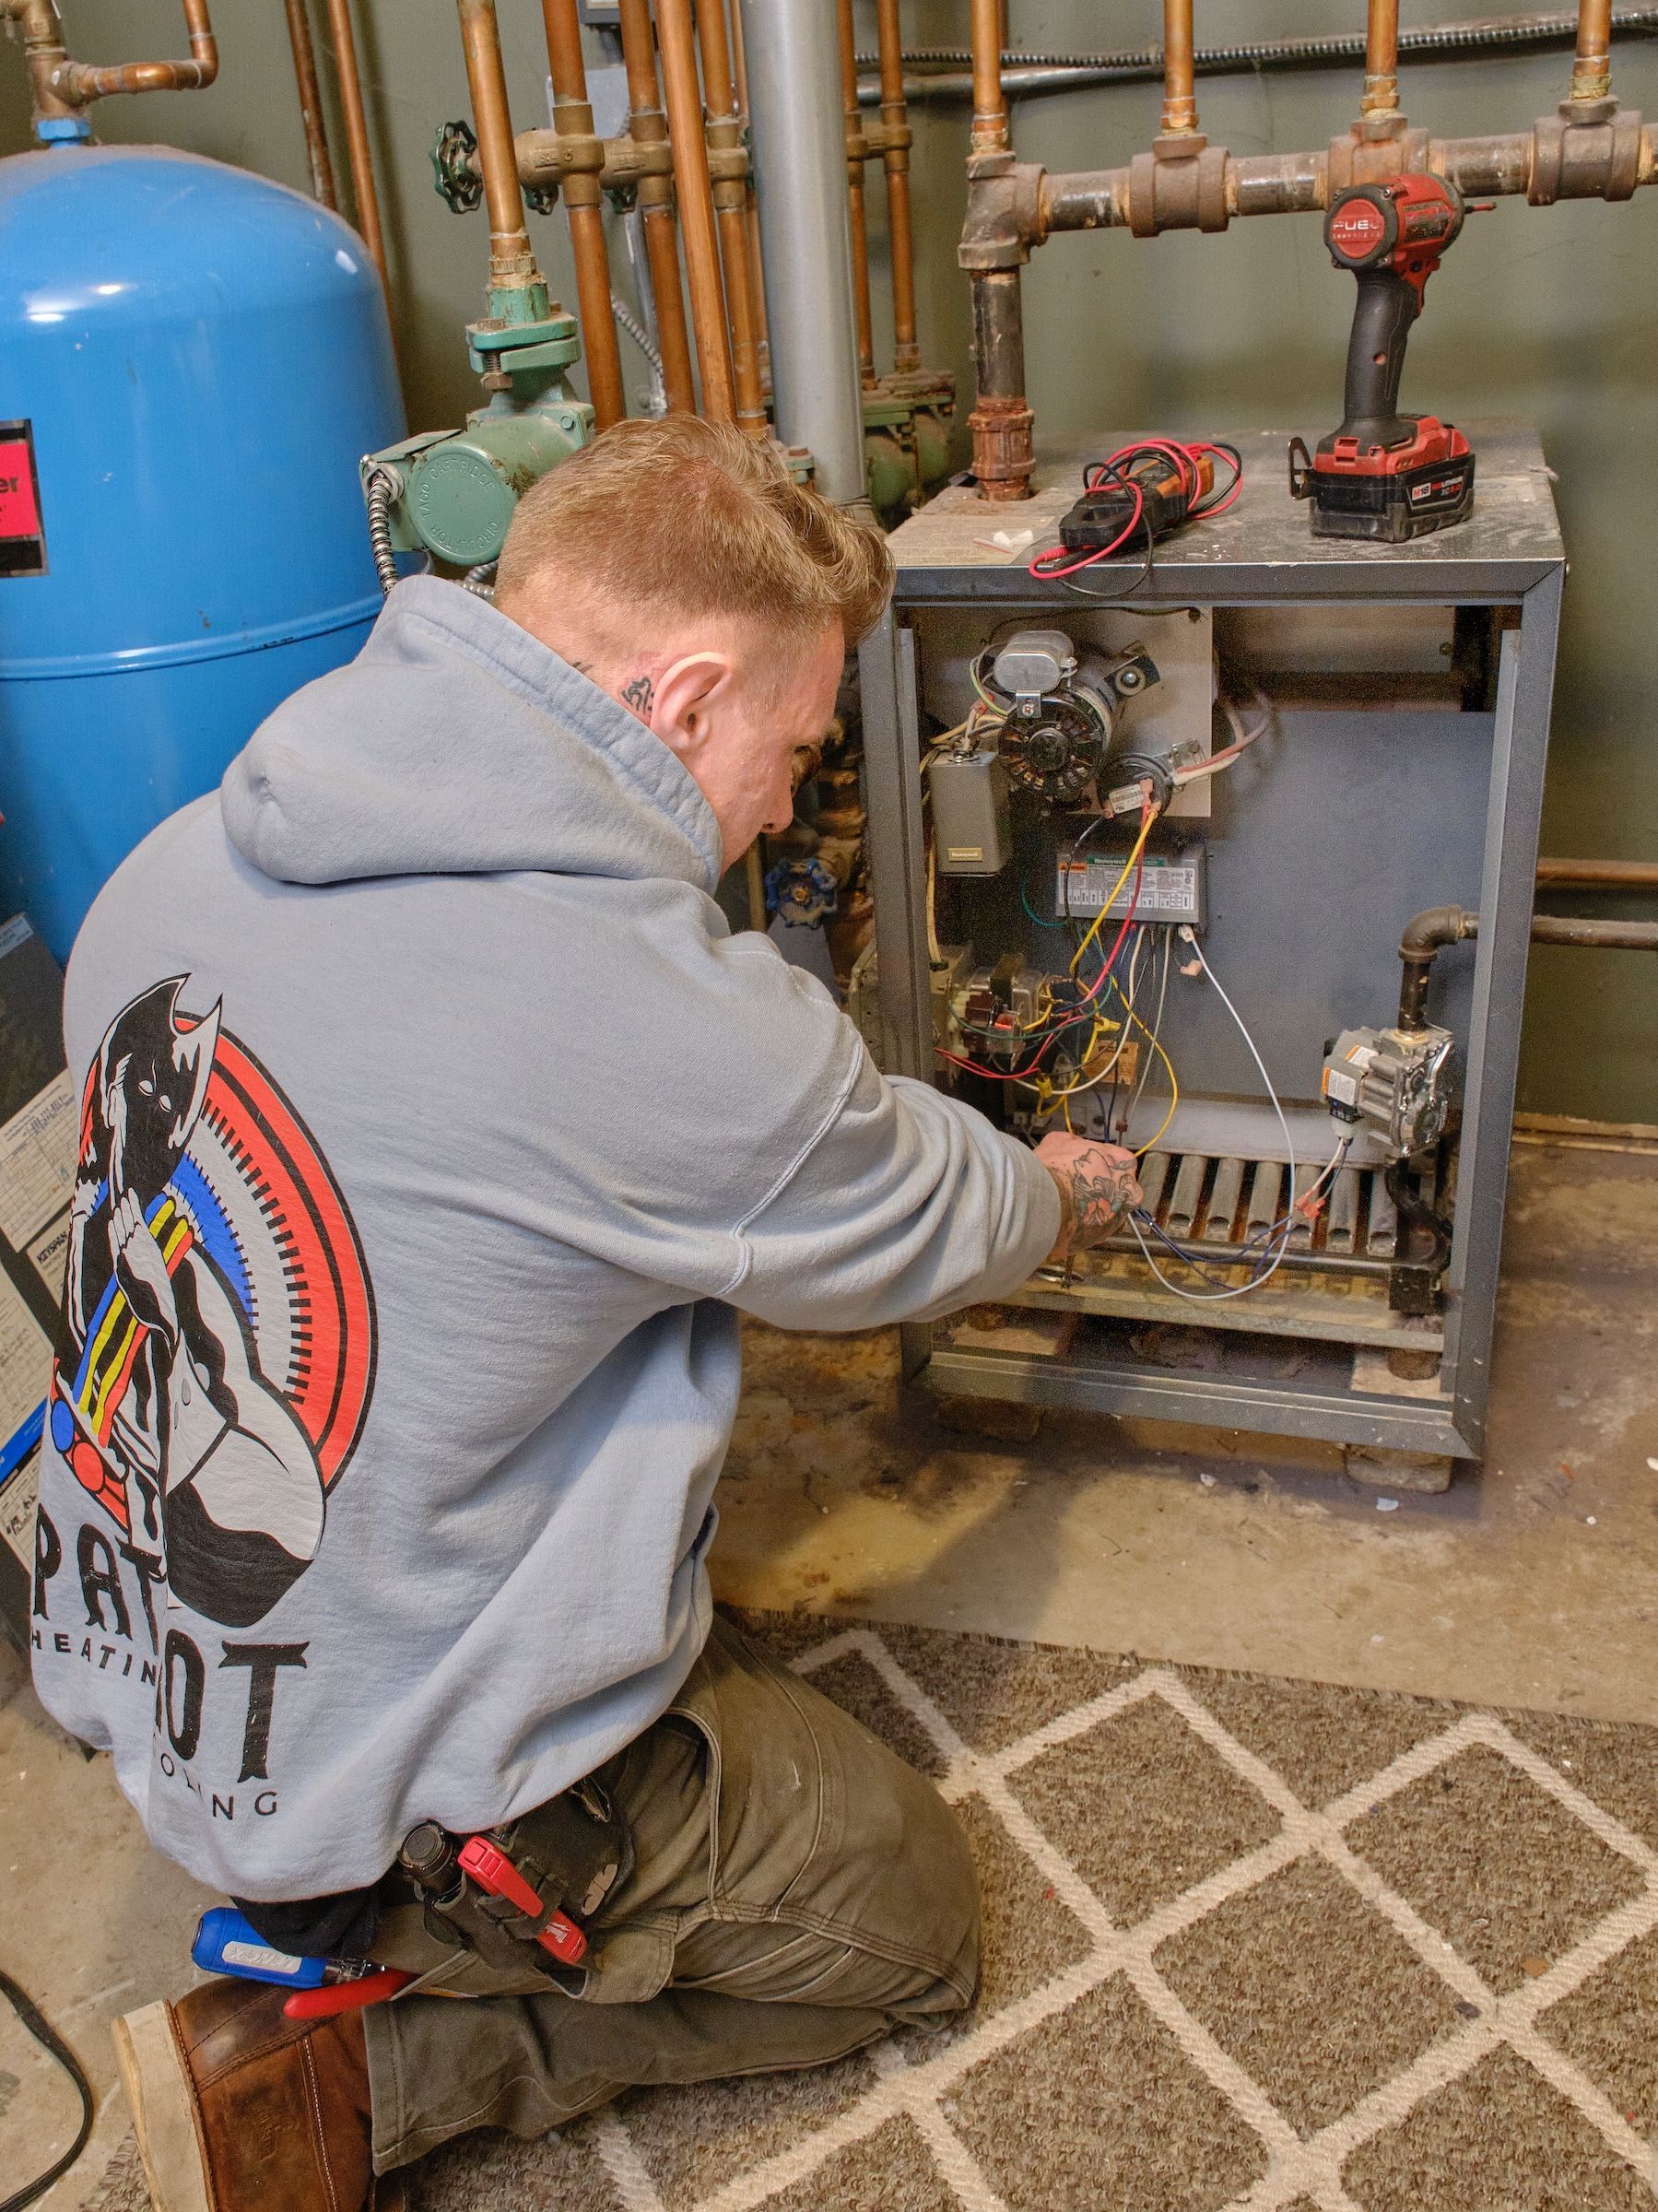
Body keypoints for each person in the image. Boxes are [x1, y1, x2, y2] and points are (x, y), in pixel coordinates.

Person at [30, 417, 1141, 2211]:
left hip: (134, 1648)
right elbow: (931, 1214)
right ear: (688, 699)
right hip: (371, 1793)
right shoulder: (653, 1020)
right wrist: (1060, 1195)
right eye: (792, 751)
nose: (791, 803)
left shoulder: (166, 863)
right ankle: (390, 2070)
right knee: (910, 1922)